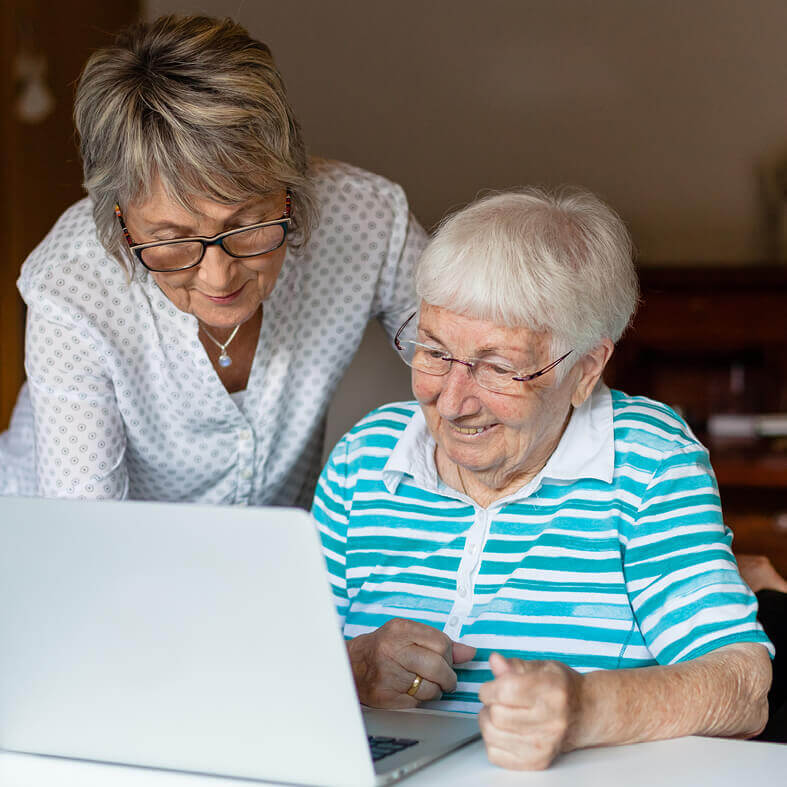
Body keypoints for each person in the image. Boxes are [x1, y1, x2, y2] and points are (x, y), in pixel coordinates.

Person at [312, 187, 774, 769]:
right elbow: (278, 666)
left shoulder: (646, 463)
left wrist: (585, 709)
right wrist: (354, 669)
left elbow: (742, 686)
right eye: (433, 352)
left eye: (499, 367)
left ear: (585, 370)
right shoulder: (366, 457)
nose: (452, 403)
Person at [0, 15, 425, 505]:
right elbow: (88, 534)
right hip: (56, 543)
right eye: (172, 241)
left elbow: (477, 355)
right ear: (119, 222)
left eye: (245, 225)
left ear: (288, 184)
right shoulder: (71, 288)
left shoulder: (364, 218)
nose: (219, 275)